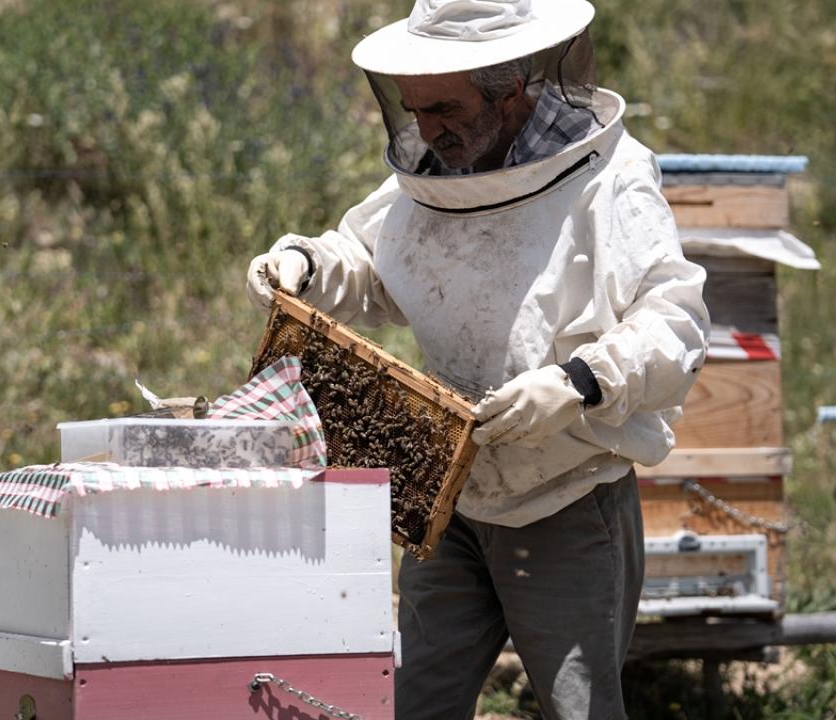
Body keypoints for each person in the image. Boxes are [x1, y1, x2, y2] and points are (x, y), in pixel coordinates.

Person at [246, 1, 709, 718]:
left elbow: (675, 319)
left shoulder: (609, 177)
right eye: (414, 110)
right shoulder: (434, 177)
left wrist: (578, 382)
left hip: (565, 496)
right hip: (449, 498)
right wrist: (304, 264)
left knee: (580, 710)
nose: (428, 128)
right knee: (416, 704)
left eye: (445, 108)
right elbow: (369, 258)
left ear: (510, 87)